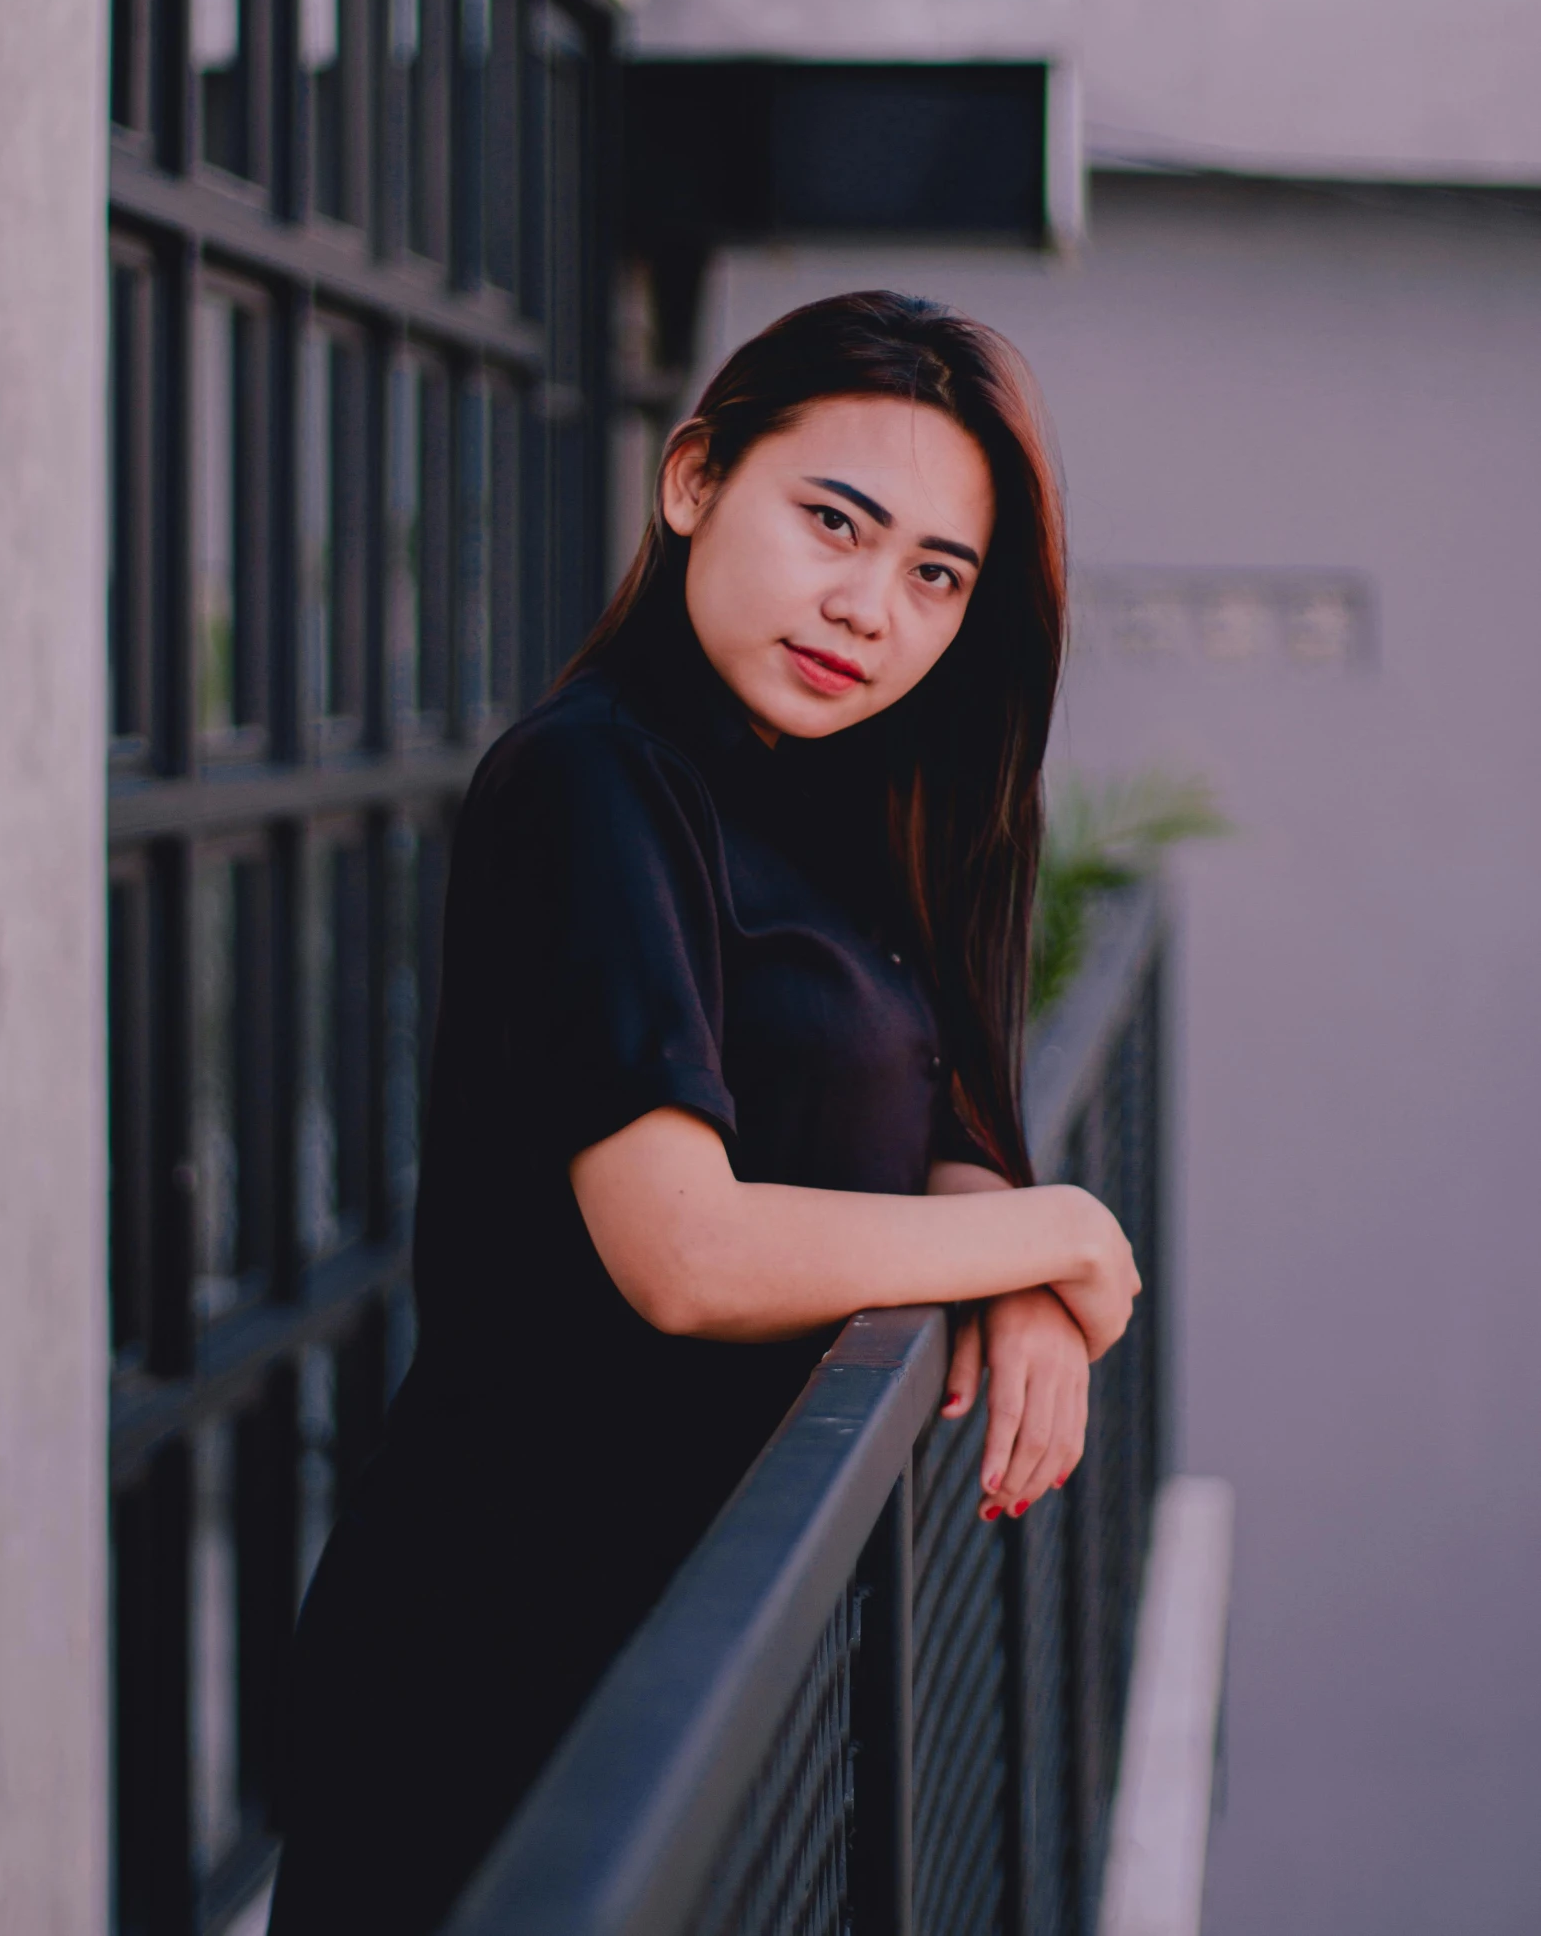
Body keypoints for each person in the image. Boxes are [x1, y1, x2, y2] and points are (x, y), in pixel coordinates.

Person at [267, 290, 1140, 1934]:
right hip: (506, 1672)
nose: (868, 607)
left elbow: (914, 1112)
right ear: (693, 483)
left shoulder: (831, 800)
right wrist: (1065, 1226)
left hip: (706, 1668)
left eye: (932, 574)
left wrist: (1014, 1273)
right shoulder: (595, 780)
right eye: (834, 522)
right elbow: (681, 1248)